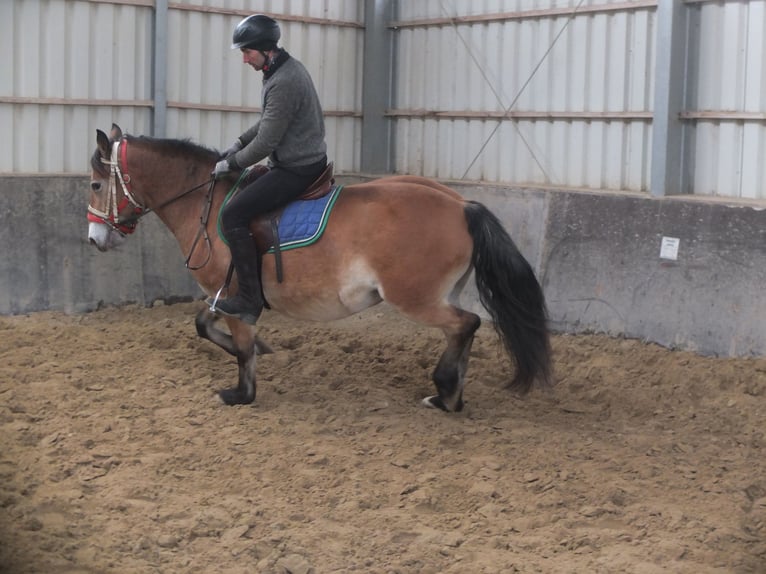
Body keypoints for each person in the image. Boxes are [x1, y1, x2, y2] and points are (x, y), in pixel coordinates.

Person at [211, 14, 328, 324]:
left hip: (297, 167)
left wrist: (231, 163)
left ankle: (250, 300)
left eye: (247, 52)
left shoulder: (285, 80)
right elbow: (267, 121)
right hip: (293, 159)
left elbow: (265, 143)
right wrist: (237, 142)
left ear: (265, 49)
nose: (244, 59)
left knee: (232, 214)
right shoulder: (279, 71)